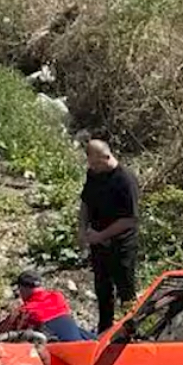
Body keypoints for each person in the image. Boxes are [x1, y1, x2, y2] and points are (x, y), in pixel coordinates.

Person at [79, 139, 140, 332]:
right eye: (91, 164)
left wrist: (101, 235)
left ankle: (131, 330)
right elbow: (86, 202)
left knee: (126, 292)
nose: (94, 168)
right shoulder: (94, 174)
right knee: (102, 290)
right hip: (99, 244)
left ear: (107, 157)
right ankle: (104, 329)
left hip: (121, 245)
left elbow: (129, 219)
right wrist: (82, 229)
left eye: (97, 164)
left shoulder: (125, 180)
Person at [0, 271, 93, 342]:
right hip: (79, 343)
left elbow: (3, 330)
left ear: (22, 289)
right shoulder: (58, 297)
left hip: (57, 352)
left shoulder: (26, 310)